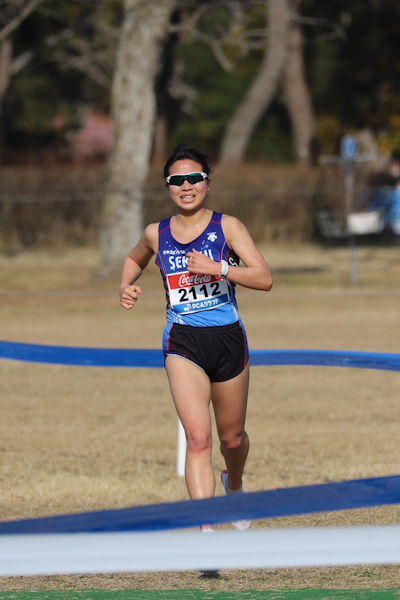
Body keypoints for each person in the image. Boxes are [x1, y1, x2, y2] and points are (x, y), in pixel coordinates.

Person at [119, 145, 273, 532]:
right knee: (199, 438)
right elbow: (135, 258)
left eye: (194, 178)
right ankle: (206, 531)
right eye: (177, 180)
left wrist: (219, 268)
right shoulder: (156, 233)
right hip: (182, 342)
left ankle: (233, 484)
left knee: (231, 439)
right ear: (168, 186)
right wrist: (126, 285)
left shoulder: (228, 227)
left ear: (207, 181)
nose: (186, 186)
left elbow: (264, 278)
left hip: (227, 340)